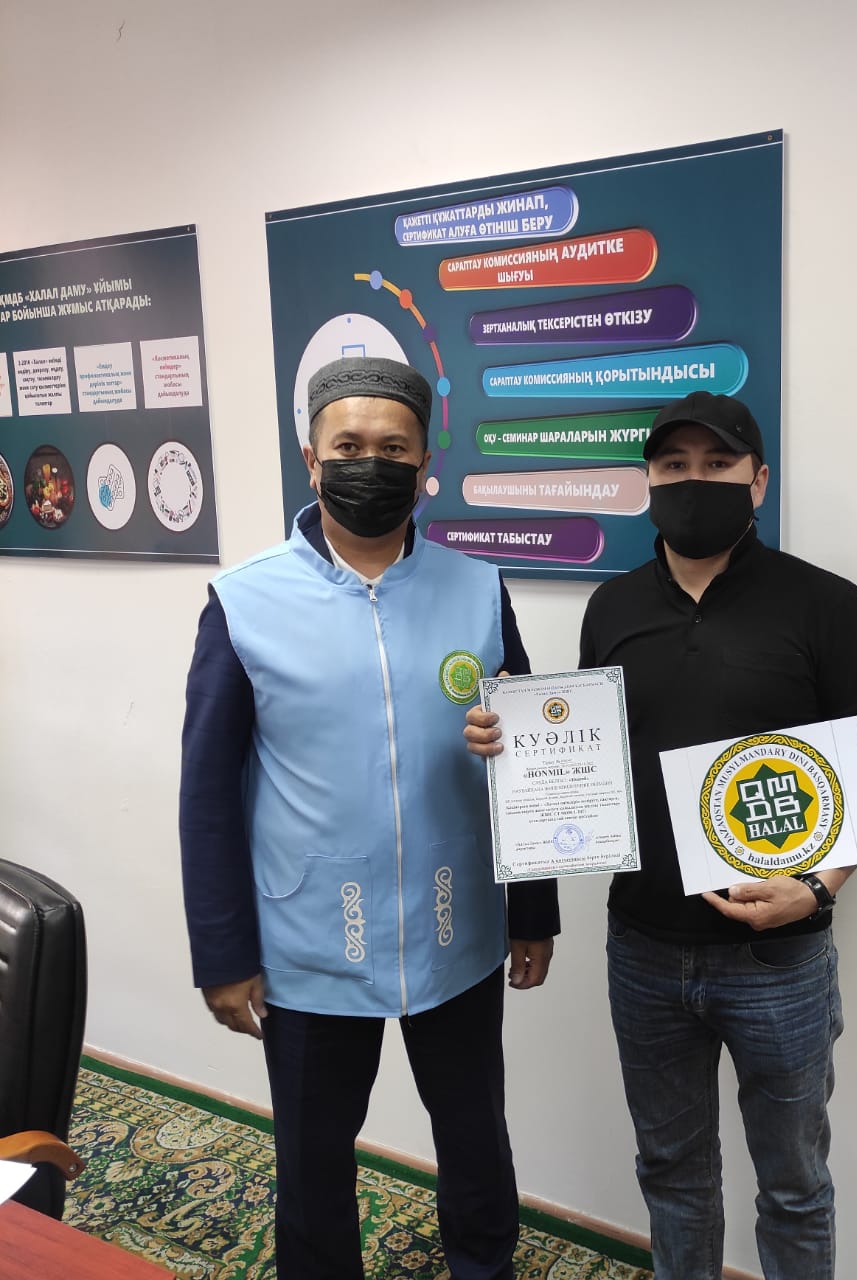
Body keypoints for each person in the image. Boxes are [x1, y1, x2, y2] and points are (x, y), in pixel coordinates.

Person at [466, 390, 857, 1280]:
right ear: (649, 482)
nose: (693, 480)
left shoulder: (824, 603)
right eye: (673, 465)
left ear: (759, 480)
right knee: (672, 1174)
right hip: (645, 950)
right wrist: (512, 744)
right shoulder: (612, 605)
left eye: (717, 463)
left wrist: (819, 887)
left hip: (780, 958)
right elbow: (586, 751)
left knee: (794, 1184)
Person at [179, 355, 558, 1280]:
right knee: (313, 1165)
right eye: (348, 445)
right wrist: (223, 953)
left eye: (393, 448)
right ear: (311, 459)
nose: (370, 463)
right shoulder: (245, 602)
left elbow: (536, 754)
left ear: (425, 461)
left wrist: (533, 909)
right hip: (313, 940)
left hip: (455, 924)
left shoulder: (477, 588)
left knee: (476, 1143)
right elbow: (207, 793)